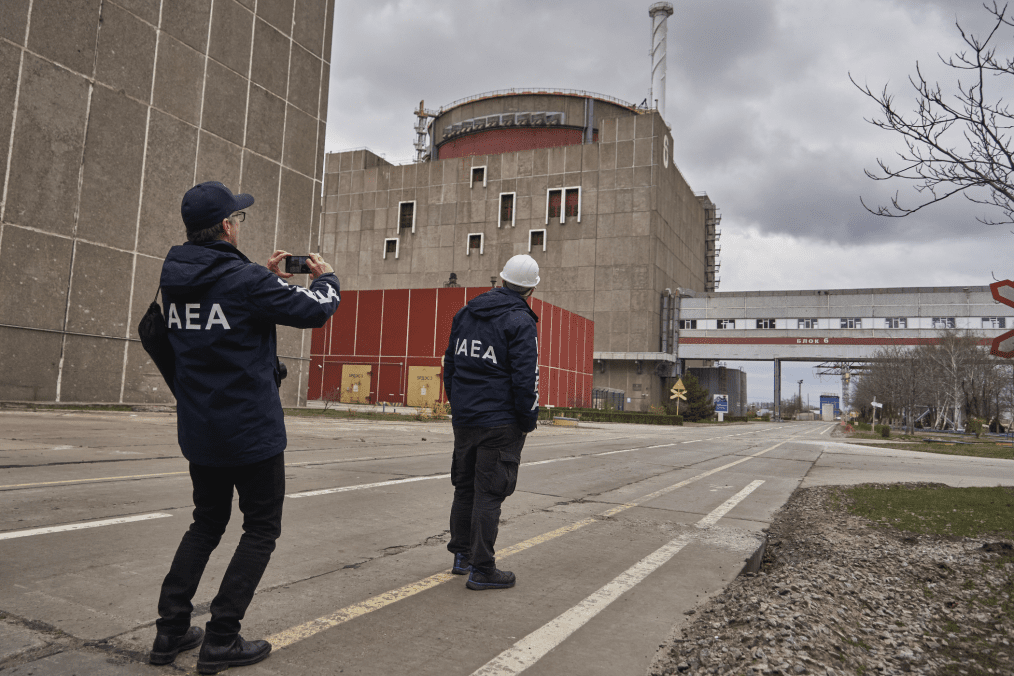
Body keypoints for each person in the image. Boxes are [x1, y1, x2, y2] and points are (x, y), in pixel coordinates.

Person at [149, 181, 340, 674]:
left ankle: (170, 630)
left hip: (200, 429)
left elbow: (216, 313)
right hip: (251, 431)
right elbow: (315, 310)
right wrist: (328, 279)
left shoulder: (174, 279)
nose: (239, 224)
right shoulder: (246, 280)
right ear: (226, 226)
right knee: (260, 528)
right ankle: (221, 639)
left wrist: (267, 280)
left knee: (206, 523)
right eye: (238, 218)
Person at [443, 254, 541, 590]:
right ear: (531, 290)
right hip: (500, 422)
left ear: (501, 280)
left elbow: (451, 364)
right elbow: (526, 379)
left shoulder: (465, 313)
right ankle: (482, 569)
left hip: (466, 418)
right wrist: (527, 420)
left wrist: (459, 405)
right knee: (489, 493)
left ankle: (461, 557)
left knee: (465, 487)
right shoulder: (521, 321)